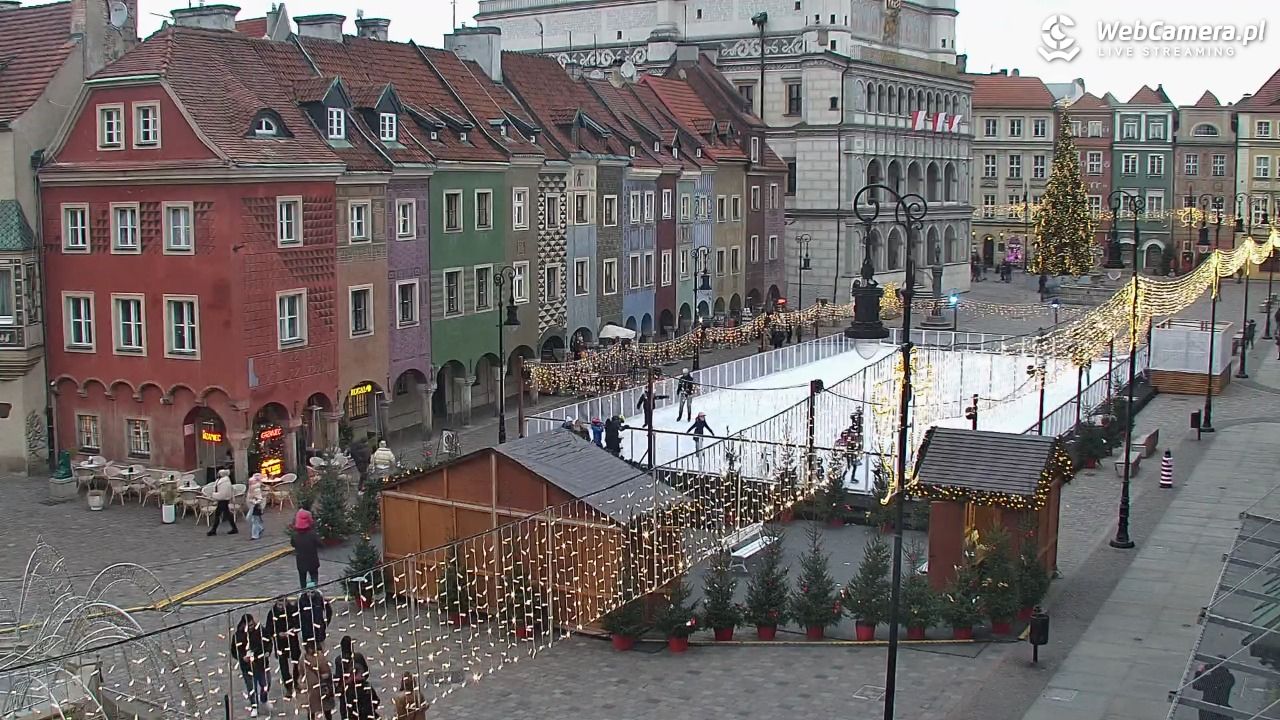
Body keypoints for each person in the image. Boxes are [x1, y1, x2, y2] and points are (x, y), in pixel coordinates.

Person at [231, 613, 270, 717]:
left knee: (266, 683)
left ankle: (264, 699)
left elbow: (268, 641)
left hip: (261, 664)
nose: (251, 627)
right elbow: (234, 651)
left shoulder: (260, 631)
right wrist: (242, 657)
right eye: (249, 626)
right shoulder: (238, 636)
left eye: (252, 625)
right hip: (247, 667)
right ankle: (254, 706)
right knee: (251, 688)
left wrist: (267, 651)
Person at [265, 597, 301, 699]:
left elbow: (299, 623)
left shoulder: (292, 610)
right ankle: (288, 687)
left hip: (293, 641)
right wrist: (277, 634)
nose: (280, 607)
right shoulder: (272, 613)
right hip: (280, 643)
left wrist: (294, 630)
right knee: (283, 667)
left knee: (296, 663)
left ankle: (296, 682)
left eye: (282, 604)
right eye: (279, 605)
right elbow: (269, 629)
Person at [333, 635, 370, 720]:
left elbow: (338, 678)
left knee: (346, 715)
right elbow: (366, 673)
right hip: (360, 692)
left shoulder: (339, 660)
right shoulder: (359, 657)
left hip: (346, 694)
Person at [297, 641, 335, 720]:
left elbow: (301, 671)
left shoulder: (303, 658)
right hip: (321, 687)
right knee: (326, 709)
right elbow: (326, 671)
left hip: (310, 687)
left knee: (311, 709)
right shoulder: (320, 657)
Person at [292, 509, 322, 589]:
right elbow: (320, 544)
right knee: (314, 576)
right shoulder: (312, 534)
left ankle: (303, 592)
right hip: (312, 561)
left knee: (302, 578)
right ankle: (314, 591)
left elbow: (293, 544)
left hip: (301, 562)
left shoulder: (295, 535)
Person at [207, 468, 238, 536]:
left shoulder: (224, 482)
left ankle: (214, 530)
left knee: (218, 514)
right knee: (226, 514)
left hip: (223, 499)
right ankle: (234, 528)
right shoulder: (223, 481)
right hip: (223, 499)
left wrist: (214, 495)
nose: (217, 474)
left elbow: (223, 493)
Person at [247, 476, 267, 540]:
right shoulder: (251, 489)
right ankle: (260, 528)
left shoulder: (256, 489)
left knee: (254, 520)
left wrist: (254, 502)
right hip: (252, 506)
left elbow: (259, 499)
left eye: (251, 481)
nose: (249, 482)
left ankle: (255, 535)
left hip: (256, 507)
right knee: (251, 519)